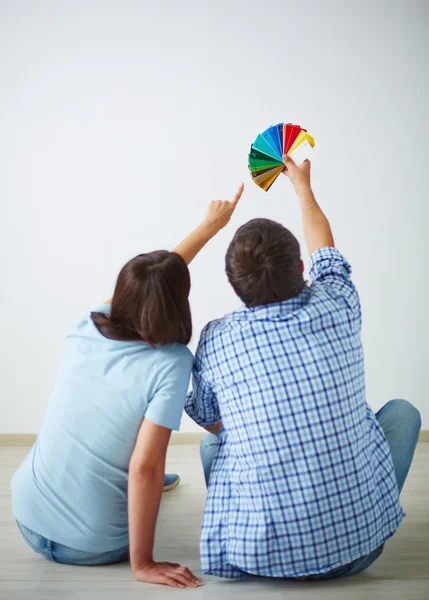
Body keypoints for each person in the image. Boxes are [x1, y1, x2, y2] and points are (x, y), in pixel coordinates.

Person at [185, 156, 421, 580]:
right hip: (359, 553)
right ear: (299, 269)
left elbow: (207, 416)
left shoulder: (218, 337)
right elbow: (326, 252)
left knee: (211, 448)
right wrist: (303, 188)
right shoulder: (338, 302)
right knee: (403, 413)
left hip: (258, 561)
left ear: (235, 286)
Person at [11, 184, 244, 589]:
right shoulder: (171, 362)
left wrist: (208, 227)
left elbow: (153, 282)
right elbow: (145, 467)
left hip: (26, 517)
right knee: (150, 466)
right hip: (90, 547)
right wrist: (144, 564)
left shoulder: (91, 322)